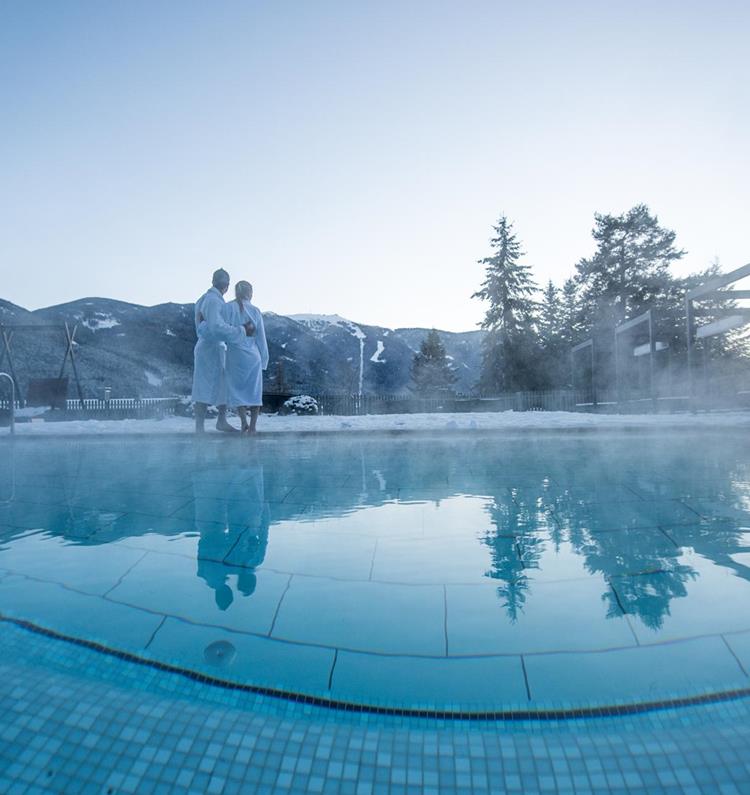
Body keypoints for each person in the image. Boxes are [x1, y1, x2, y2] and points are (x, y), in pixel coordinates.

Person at [191, 268, 255, 433]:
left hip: (210, 347)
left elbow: (206, 326)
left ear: (213, 281)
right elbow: (216, 327)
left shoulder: (204, 299)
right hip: (210, 348)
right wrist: (242, 330)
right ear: (226, 286)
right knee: (204, 386)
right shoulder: (213, 301)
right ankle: (201, 427)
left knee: (220, 385)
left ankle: (219, 421)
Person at [222, 281, 268, 433]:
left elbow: (222, 331)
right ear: (250, 293)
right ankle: (253, 427)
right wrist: (264, 360)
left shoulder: (228, 308)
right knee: (255, 392)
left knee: (237, 390)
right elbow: (261, 338)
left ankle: (243, 422)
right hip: (252, 355)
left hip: (235, 354)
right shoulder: (255, 311)